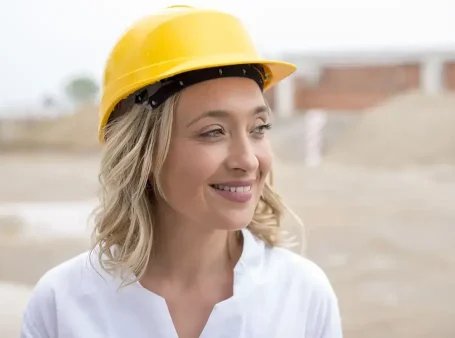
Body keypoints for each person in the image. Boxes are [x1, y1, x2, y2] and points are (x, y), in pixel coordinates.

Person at [20, 5, 342, 338]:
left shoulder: (303, 297)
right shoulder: (62, 306)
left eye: (258, 128)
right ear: (140, 151)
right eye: (213, 131)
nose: (247, 160)